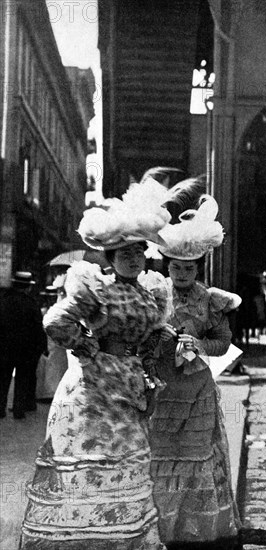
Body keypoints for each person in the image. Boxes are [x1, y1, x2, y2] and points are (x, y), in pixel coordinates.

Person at [19, 179, 171, 550]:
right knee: (93, 461)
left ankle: (123, 538)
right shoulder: (95, 288)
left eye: (137, 252)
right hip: (93, 390)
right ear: (109, 258)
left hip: (131, 387)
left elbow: (154, 334)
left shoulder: (150, 290)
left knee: (127, 461)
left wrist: (154, 351)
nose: (133, 259)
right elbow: (55, 322)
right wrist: (86, 346)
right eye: (124, 254)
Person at [149, 195, 242, 549]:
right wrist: (159, 340)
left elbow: (224, 340)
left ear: (198, 269)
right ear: (167, 267)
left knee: (195, 453)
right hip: (162, 388)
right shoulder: (156, 294)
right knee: (162, 453)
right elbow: (143, 333)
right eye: (176, 268)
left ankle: (195, 527)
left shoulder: (210, 299)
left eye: (189, 269)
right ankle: (163, 526)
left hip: (198, 389)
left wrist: (201, 346)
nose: (182, 274)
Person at [0, 271, 47, 419]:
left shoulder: (3, 301)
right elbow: (38, 327)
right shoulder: (31, 304)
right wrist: (42, 346)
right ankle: (19, 409)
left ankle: (0, 409)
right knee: (22, 379)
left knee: (3, 378)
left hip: (4, 348)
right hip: (26, 350)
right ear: (28, 287)